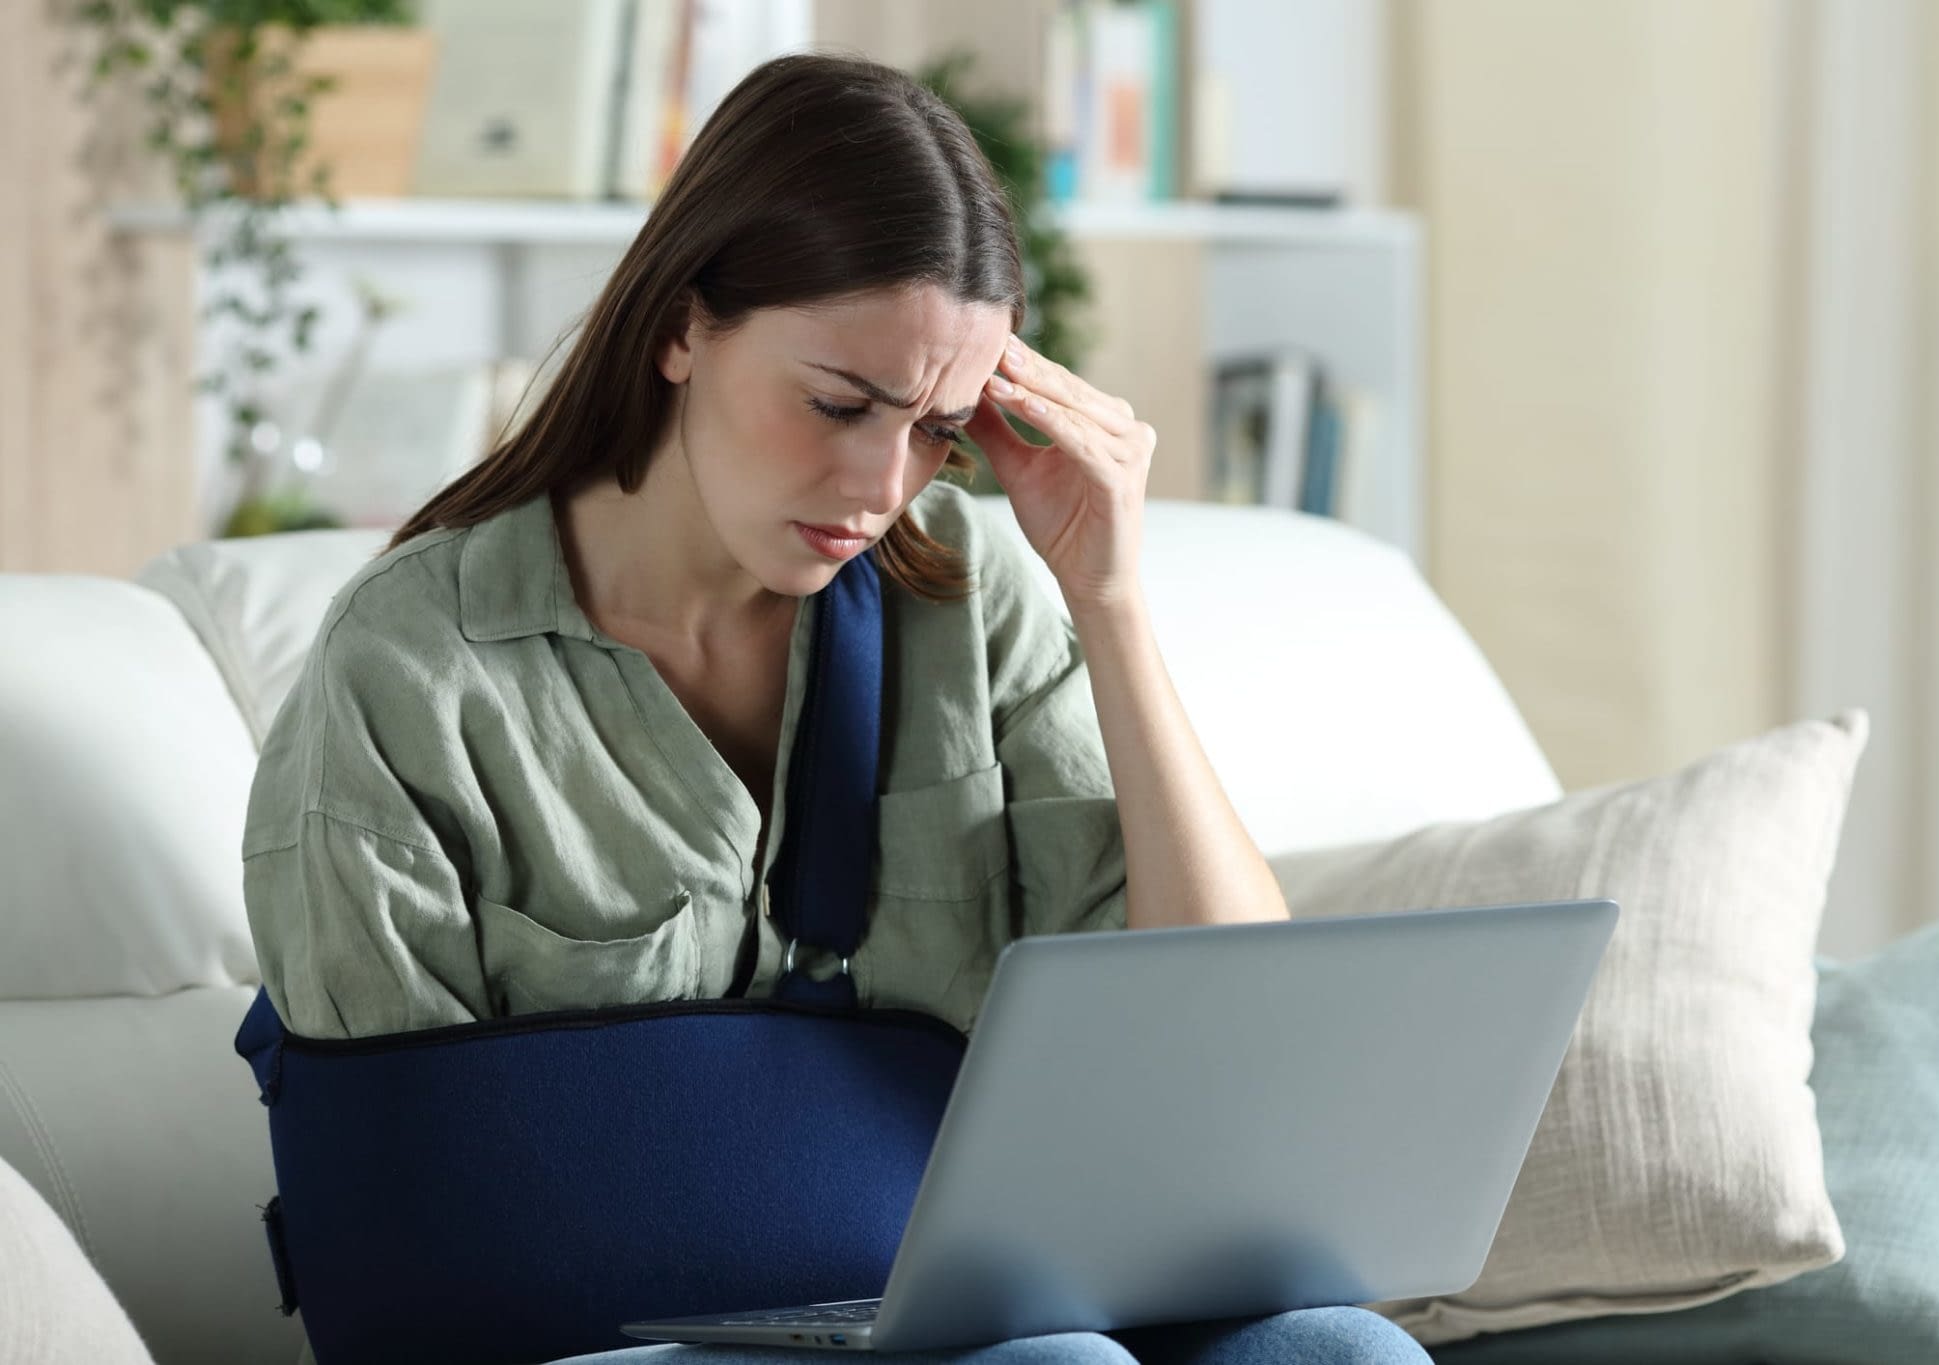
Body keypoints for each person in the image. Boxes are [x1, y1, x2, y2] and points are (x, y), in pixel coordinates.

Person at [240, 50, 1431, 1364]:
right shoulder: (414, 667)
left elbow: (1230, 1033)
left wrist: (1111, 601)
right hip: (574, 1334)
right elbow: (405, 1194)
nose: (880, 484)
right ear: (681, 328)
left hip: (944, 1308)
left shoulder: (968, 601)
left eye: (939, 429)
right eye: (839, 404)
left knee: (1339, 1350)